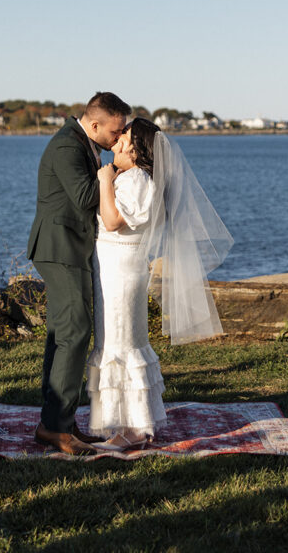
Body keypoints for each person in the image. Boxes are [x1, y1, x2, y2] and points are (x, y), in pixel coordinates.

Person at [86, 118, 234, 448]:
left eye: (124, 136)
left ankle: (134, 430)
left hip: (121, 274)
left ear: (138, 150)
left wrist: (103, 179)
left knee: (123, 344)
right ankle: (126, 424)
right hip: (112, 270)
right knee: (117, 342)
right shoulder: (132, 176)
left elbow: (111, 221)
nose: (117, 140)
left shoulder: (137, 179)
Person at [27, 91, 131, 456]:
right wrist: (117, 169)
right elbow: (87, 196)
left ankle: (56, 424)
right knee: (75, 330)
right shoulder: (68, 147)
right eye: (116, 132)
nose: (118, 139)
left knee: (61, 333)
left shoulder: (81, 143)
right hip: (59, 249)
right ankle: (57, 427)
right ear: (96, 124)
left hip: (68, 248)